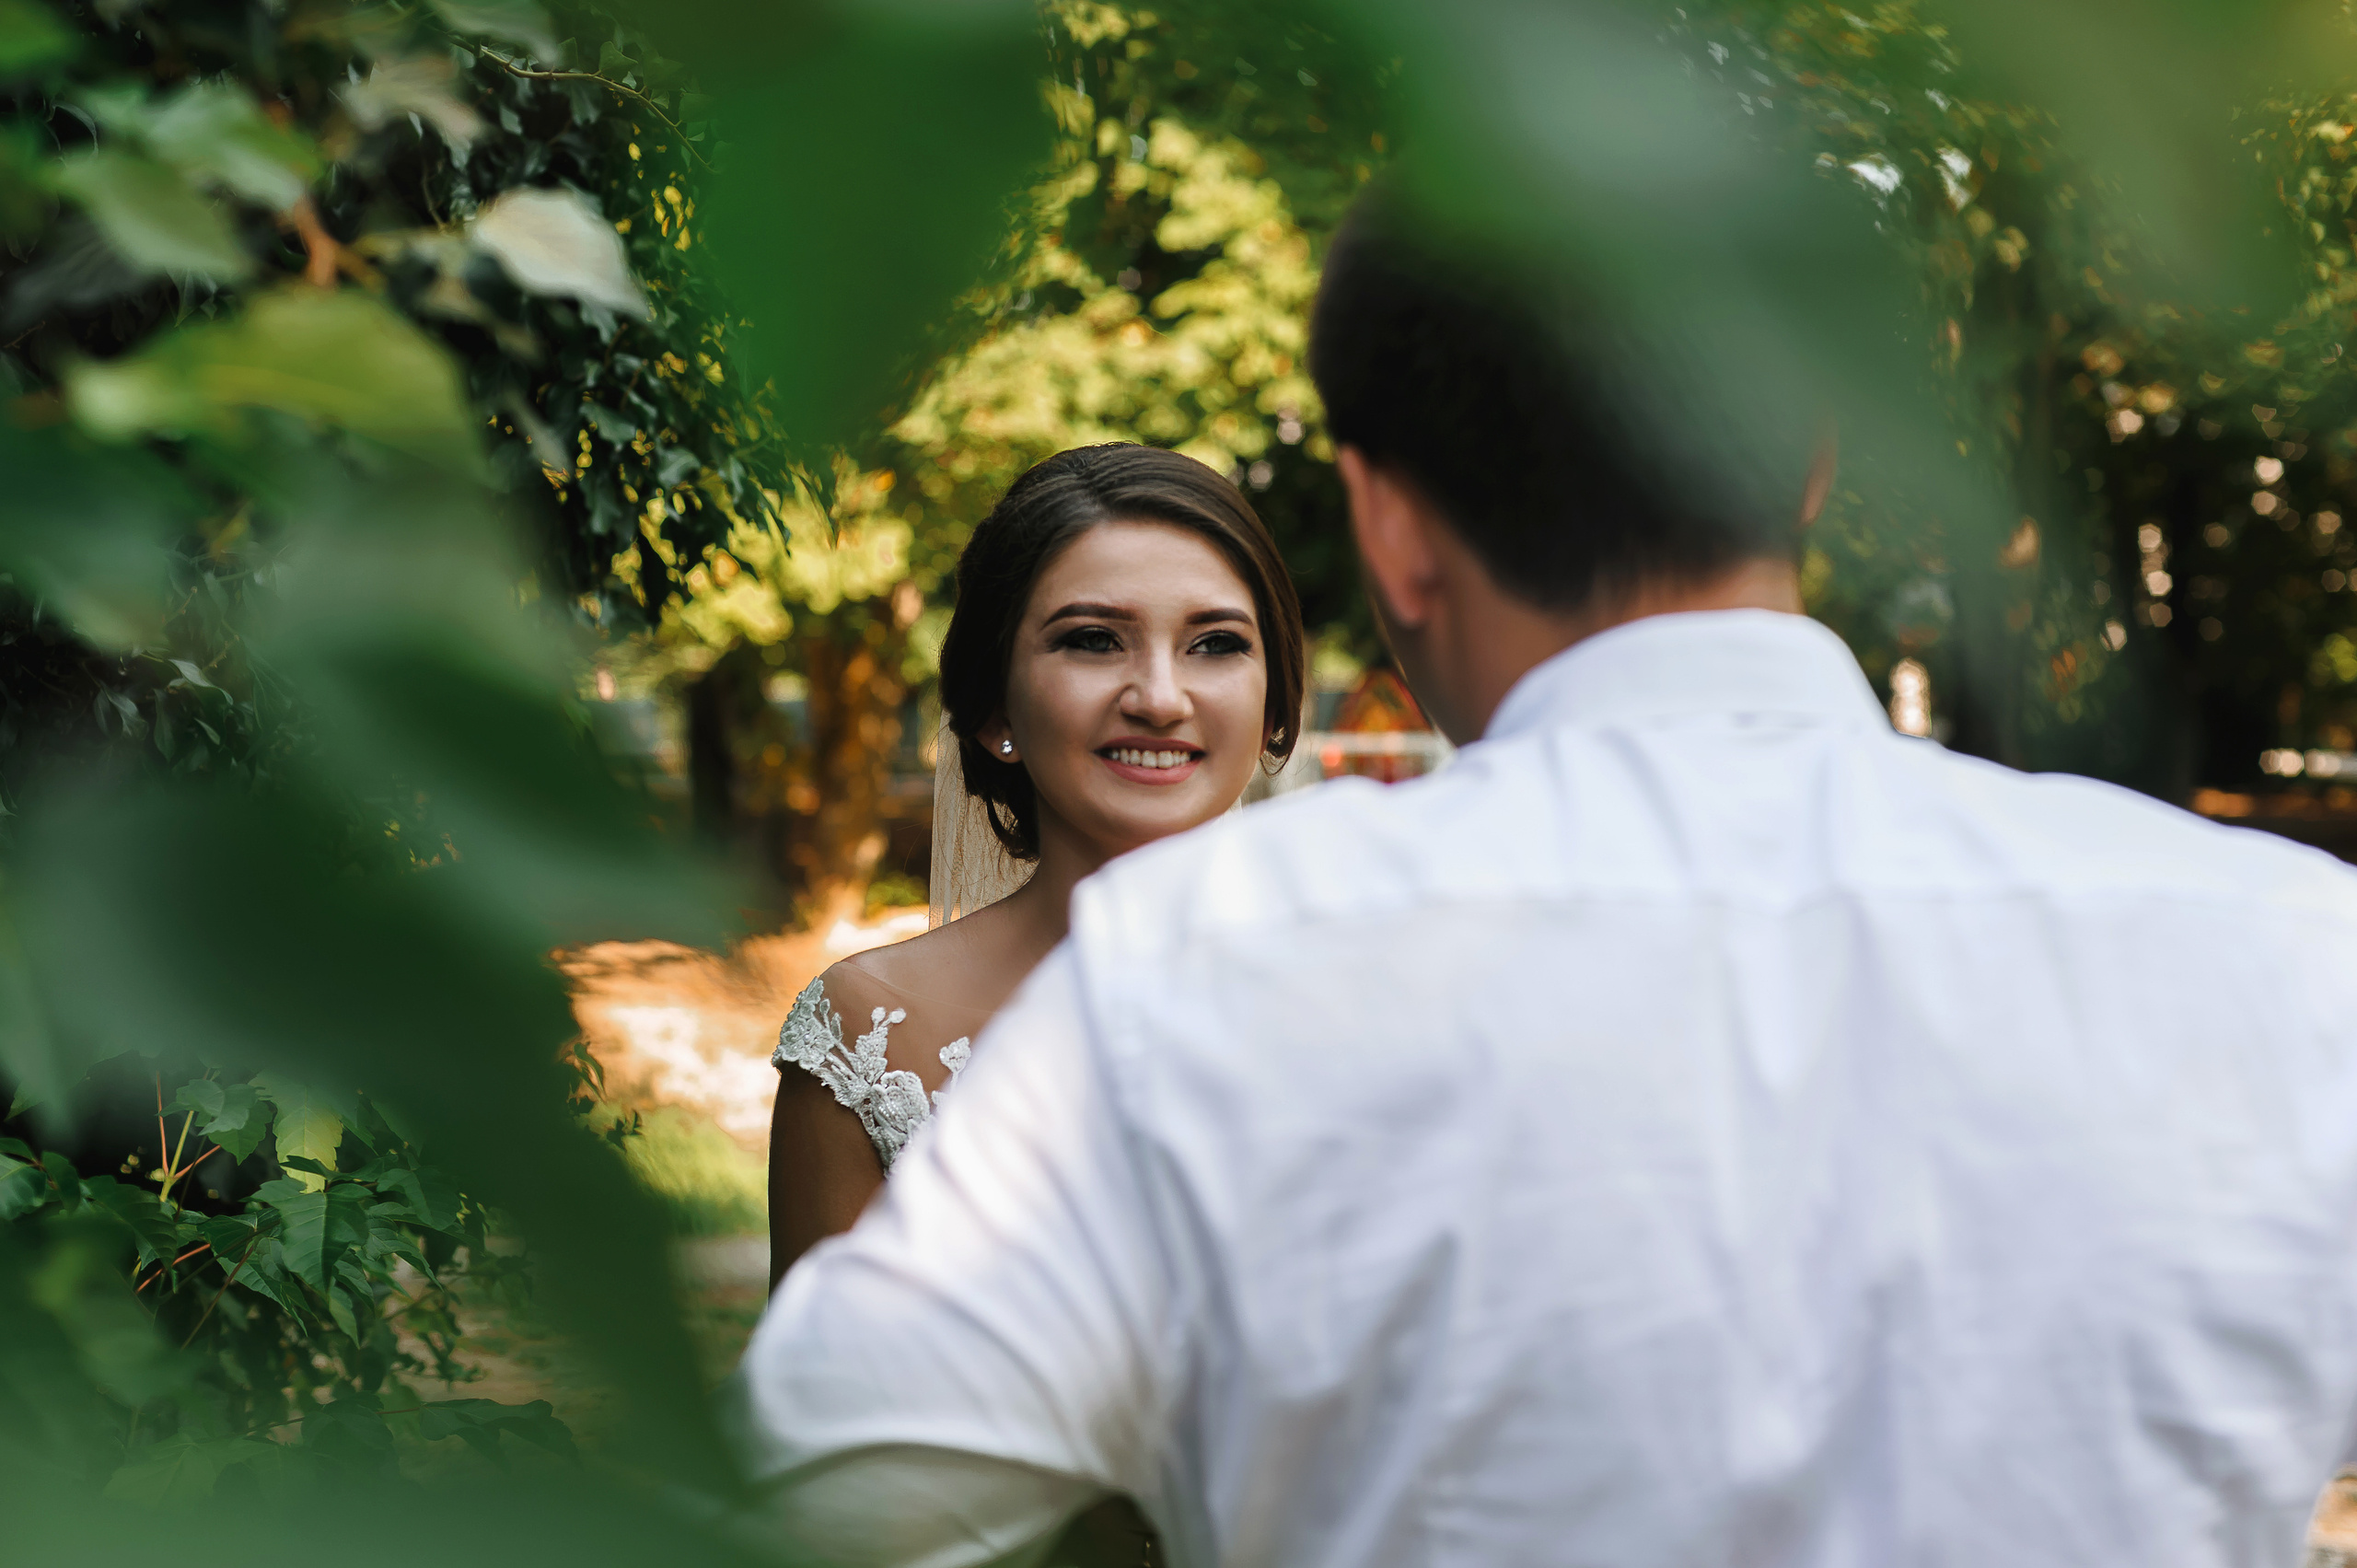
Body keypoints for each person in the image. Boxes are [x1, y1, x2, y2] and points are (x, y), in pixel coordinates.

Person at [734, 190, 2357, 1567]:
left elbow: (813, 1504)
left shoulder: (1202, 968)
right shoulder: (2296, 954)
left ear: (1386, 525)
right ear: (1808, 461)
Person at [766, 442, 1306, 1287]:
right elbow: (826, 1410)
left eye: (1215, 643)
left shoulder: (1379, 986)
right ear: (991, 709)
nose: (1161, 698)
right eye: (1094, 640)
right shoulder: (867, 1036)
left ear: (1274, 697)